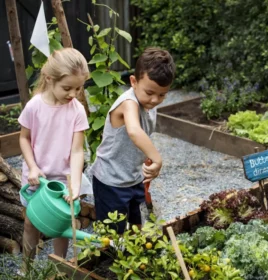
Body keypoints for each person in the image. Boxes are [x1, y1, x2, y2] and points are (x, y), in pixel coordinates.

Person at [90, 47, 175, 233]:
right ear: (133, 82)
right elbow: (135, 132)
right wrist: (158, 159)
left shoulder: (148, 103)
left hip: (133, 178)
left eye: (162, 95)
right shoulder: (128, 103)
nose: (154, 100)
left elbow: (143, 136)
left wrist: (145, 158)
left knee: (138, 224)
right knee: (113, 235)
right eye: (150, 92)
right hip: (110, 181)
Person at [19, 48, 90, 269]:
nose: (73, 94)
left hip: (62, 178)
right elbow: (24, 139)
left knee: (62, 226)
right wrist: (32, 167)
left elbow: (78, 151)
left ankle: (60, 268)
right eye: (67, 88)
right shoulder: (34, 106)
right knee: (31, 224)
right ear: (49, 79)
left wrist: (75, 185)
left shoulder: (77, 110)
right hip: (36, 178)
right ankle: (26, 269)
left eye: (78, 88)